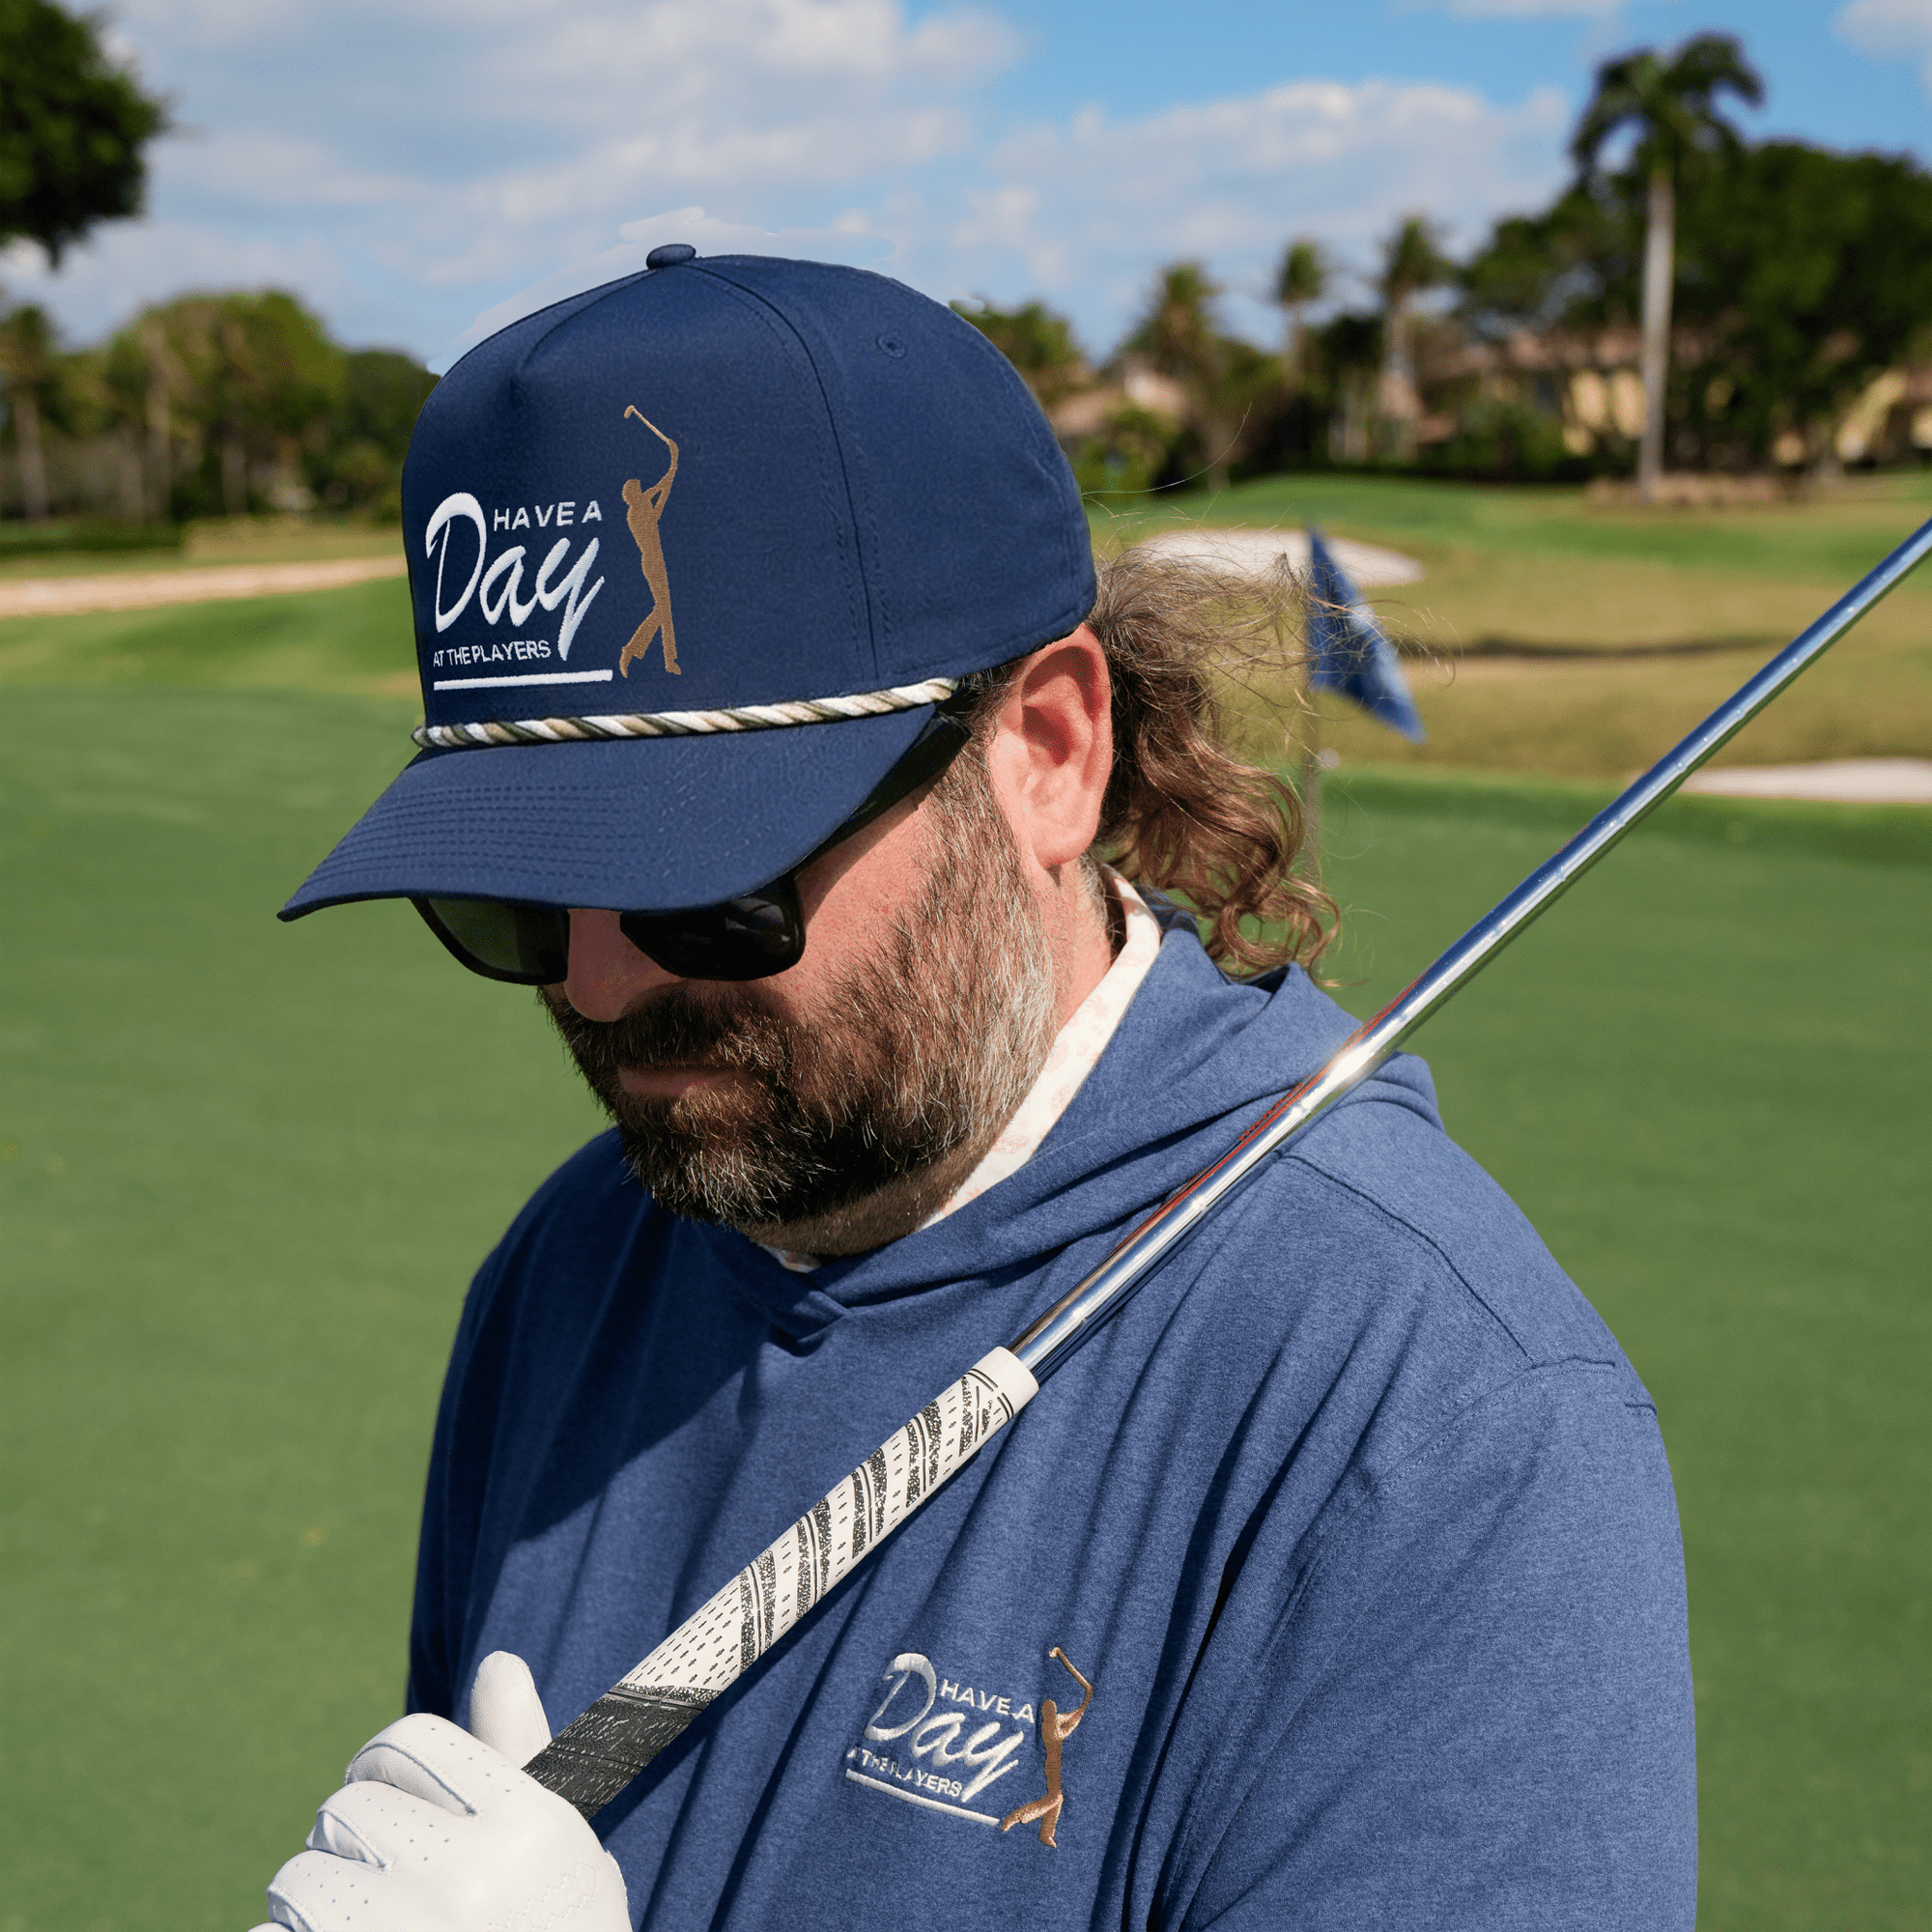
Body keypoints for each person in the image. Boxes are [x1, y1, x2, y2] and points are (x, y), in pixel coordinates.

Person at [257, 249, 1696, 1932]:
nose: (593, 981)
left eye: (702, 885)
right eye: (509, 892)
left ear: (1049, 754)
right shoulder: (572, 1270)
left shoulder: (1434, 1423)